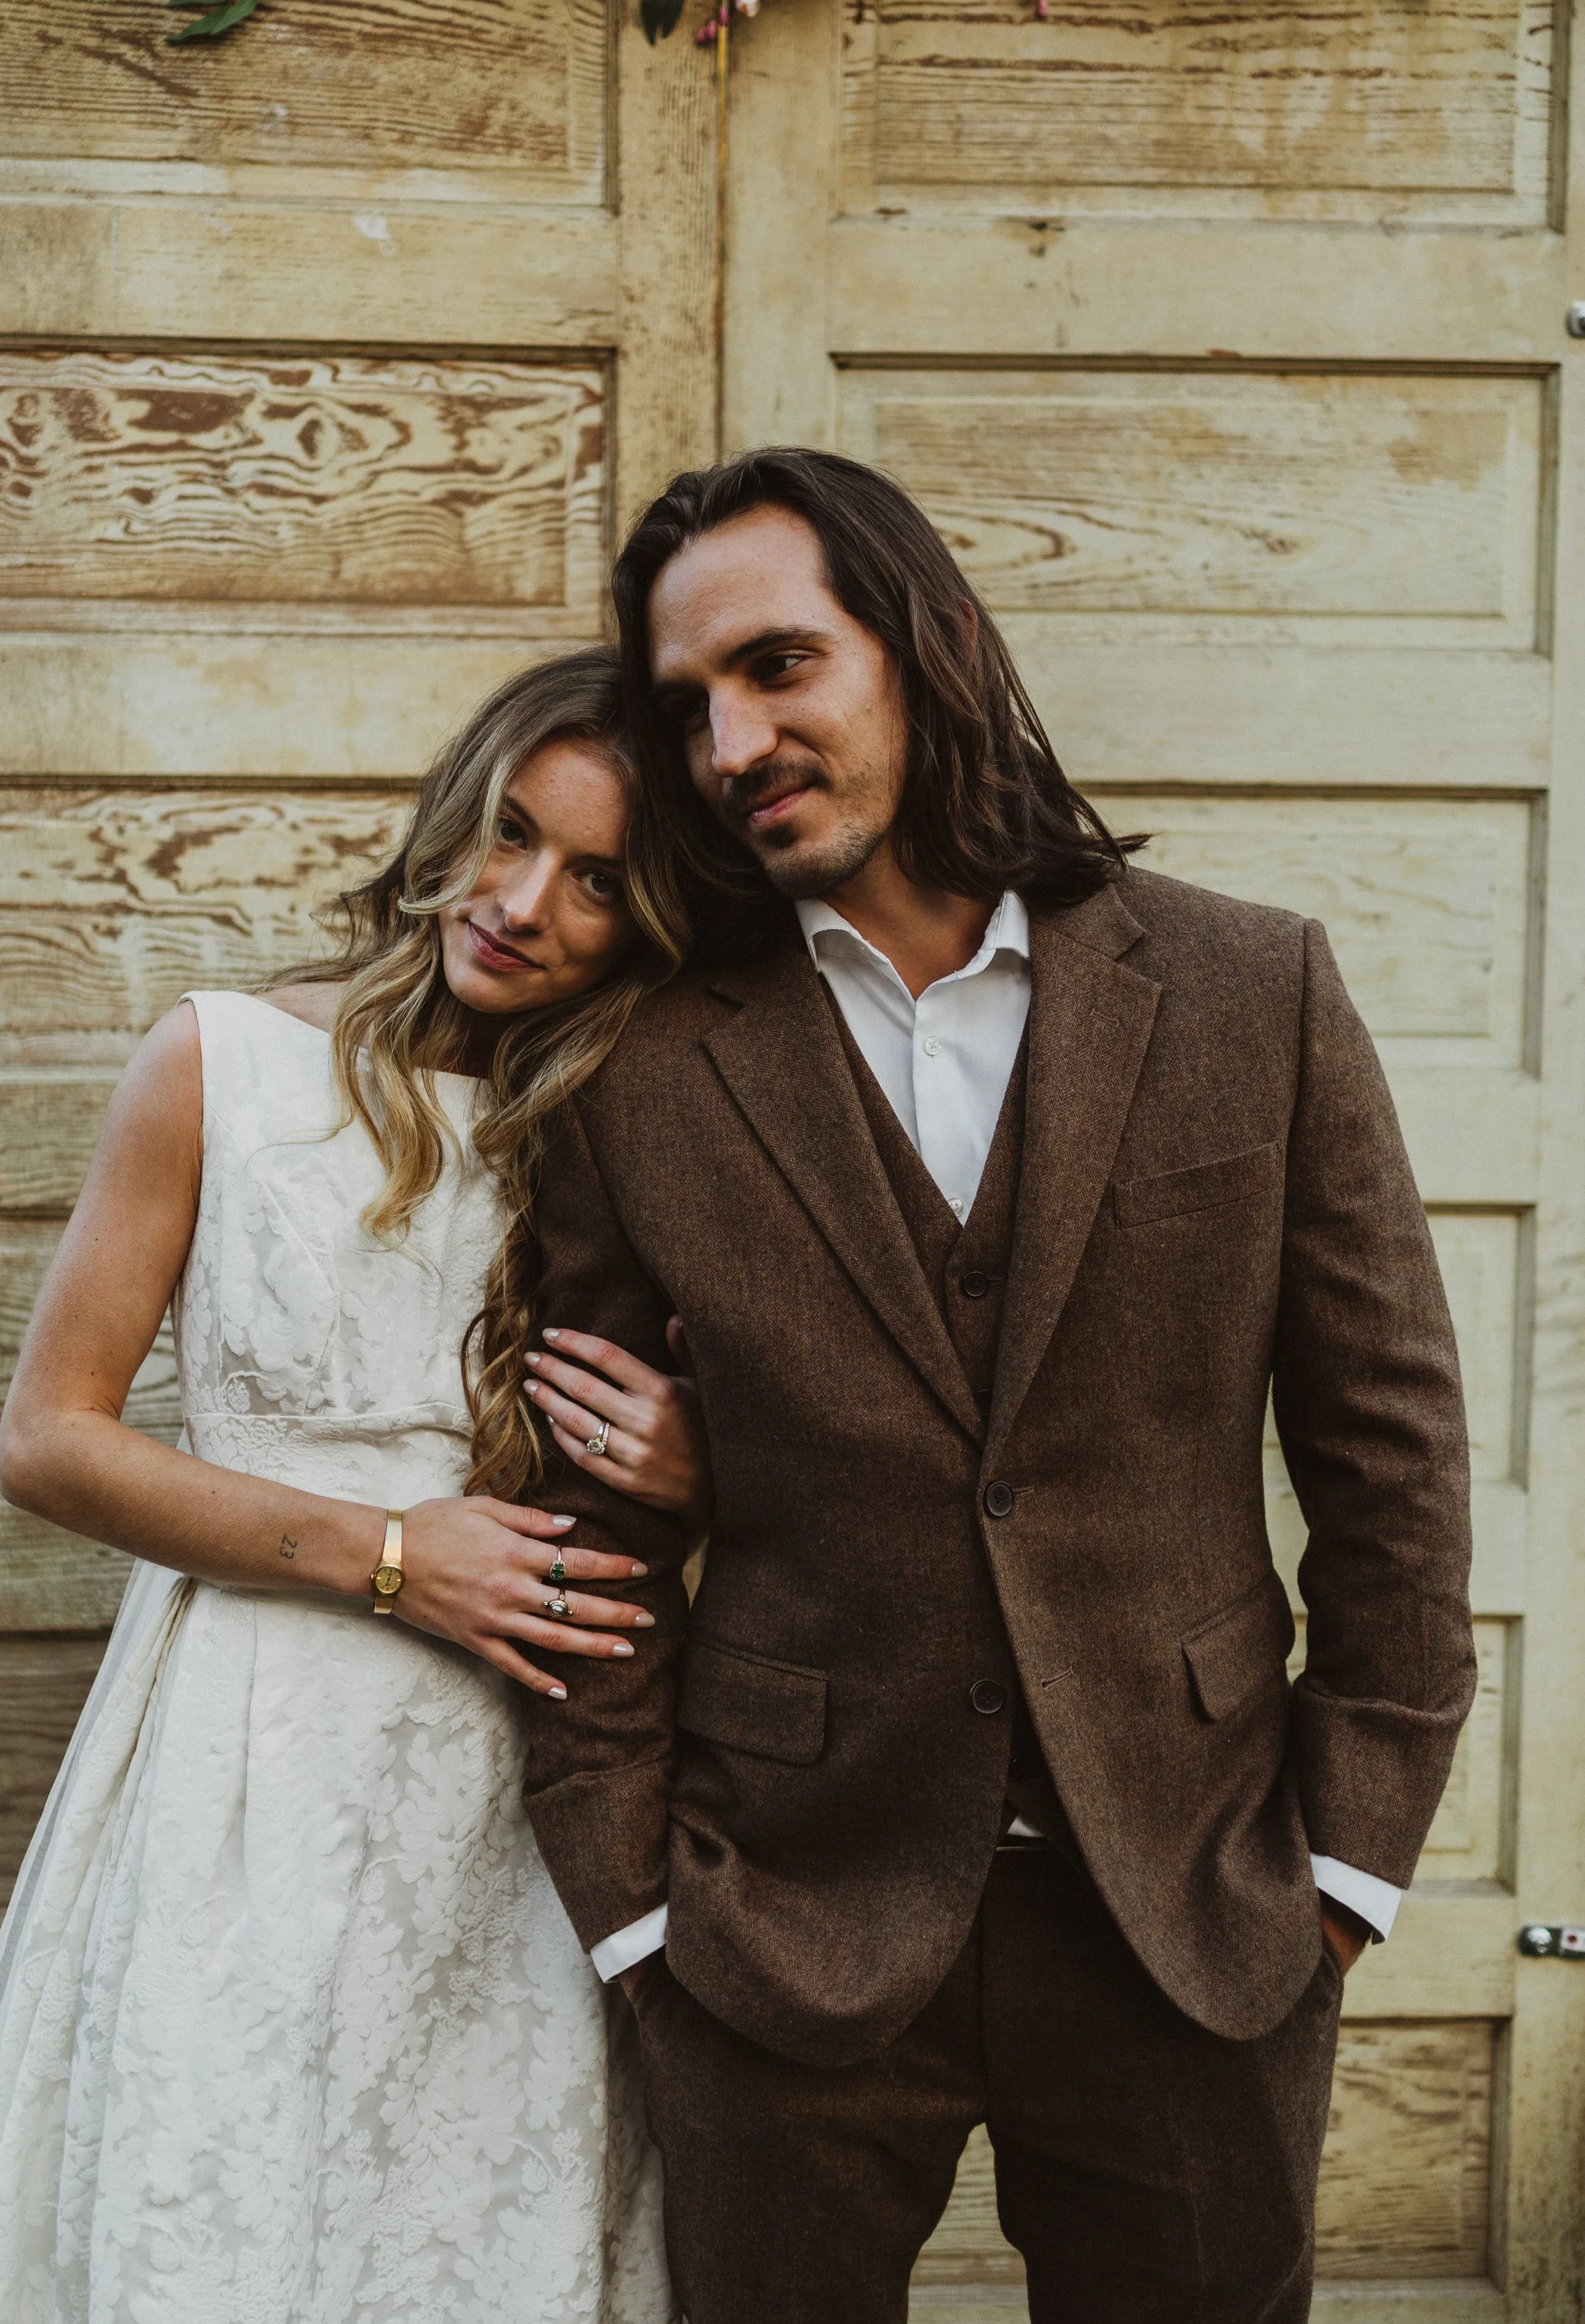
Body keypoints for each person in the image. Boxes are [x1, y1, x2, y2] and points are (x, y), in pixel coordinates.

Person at [518, 450, 1476, 2324]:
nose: (727, 741)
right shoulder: (634, 1062)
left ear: (929, 639)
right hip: (778, 1917)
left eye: (777, 665)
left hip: (1193, 1905)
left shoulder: (1246, 990)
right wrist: (633, 1906)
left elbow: (1393, 1455)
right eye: (686, 705)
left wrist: (1347, 1865)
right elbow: (585, 1516)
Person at [0, 650, 706, 2324]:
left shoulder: (648, 1122)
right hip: (247, 1748)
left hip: (527, 1779)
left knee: (473, 2228)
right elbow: (48, 1439)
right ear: (451, 816)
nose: (523, 900)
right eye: (508, 832)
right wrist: (396, 1555)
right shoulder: (220, 1066)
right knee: (226, 2199)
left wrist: (701, 1472)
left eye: (600, 882)